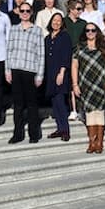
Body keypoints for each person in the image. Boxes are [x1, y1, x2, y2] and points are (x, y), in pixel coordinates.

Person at [71, 23, 105, 154]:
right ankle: (92, 142)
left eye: (93, 30)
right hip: (86, 84)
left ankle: (100, 142)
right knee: (89, 114)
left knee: (99, 114)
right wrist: (75, 84)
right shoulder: (79, 48)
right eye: (87, 30)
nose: (90, 32)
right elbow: (74, 66)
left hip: (101, 84)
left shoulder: (104, 47)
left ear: (97, 32)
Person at [5, 2, 45, 144]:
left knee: (32, 104)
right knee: (18, 104)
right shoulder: (14, 29)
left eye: (28, 10)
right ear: (19, 12)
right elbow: (8, 51)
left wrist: (40, 75)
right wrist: (7, 70)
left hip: (30, 70)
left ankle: (34, 133)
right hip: (16, 69)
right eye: (22, 10)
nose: (25, 13)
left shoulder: (37, 30)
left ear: (31, 12)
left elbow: (41, 54)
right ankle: (18, 133)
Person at [45, 13, 73, 141]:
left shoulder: (65, 37)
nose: (56, 23)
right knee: (54, 102)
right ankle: (59, 128)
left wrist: (62, 72)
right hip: (49, 73)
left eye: (59, 21)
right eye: (54, 20)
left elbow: (66, 55)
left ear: (62, 24)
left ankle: (65, 130)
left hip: (60, 73)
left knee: (60, 102)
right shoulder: (47, 38)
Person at [63, 0, 86, 122]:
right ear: (71, 9)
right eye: (78, 9)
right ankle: (73, 110)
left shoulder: (83, 23)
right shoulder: (64, 22)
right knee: (71, 84)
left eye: (81, 9)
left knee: (80, 82)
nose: (80, 11)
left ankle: (81, 109)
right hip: (67, 55)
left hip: (80, 55)